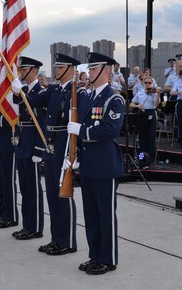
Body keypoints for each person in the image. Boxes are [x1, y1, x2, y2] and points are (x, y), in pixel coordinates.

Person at [13, 53, 83, 255]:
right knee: (52, 195)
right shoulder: (53, 90)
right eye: (56, 67)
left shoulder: (76, 92)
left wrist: (74, 154)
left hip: (65, 147)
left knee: (64, 194)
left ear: (71, 69)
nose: (56, 70)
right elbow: (32, 102)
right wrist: (20, 92)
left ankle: (68, 241)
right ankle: (56, 239)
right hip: (51, 145)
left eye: (60, 67)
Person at [67, 52, 125, 275]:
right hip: (89, 164)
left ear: (106, 71)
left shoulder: (114, 98)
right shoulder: (89, 97)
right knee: (91, 214)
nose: (89, 72)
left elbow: (111, 129)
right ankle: (94, 255)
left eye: (93, 68)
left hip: (105, 164)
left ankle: (108, 259)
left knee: (105, 214)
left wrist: (82, 131)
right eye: (89, 69)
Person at [11, 56, 46, 241]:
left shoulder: (41, 92)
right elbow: (18, 105)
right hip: (23, 144)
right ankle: (27, 225)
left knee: (34, 190)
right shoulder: (25, 91)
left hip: (33, 146)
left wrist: (40, 150)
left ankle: (37, 227)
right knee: (25, 189)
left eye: (24, 69)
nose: (21, 72)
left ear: (34, 70)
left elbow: (42, 122)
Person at [129, 75, 162, 161]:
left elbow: (156, 104)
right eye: (146, 82)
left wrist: (158, 94)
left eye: (149, 83)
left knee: (150, 136)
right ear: (143, 83)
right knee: (141, 137)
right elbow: (131, 104)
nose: (147, 84)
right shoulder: (140, 92)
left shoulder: (154, 92)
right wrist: (137, 105)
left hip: (150, 113)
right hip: (141, 114)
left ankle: (150, 158)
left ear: (152, 84)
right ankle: (141, 157)